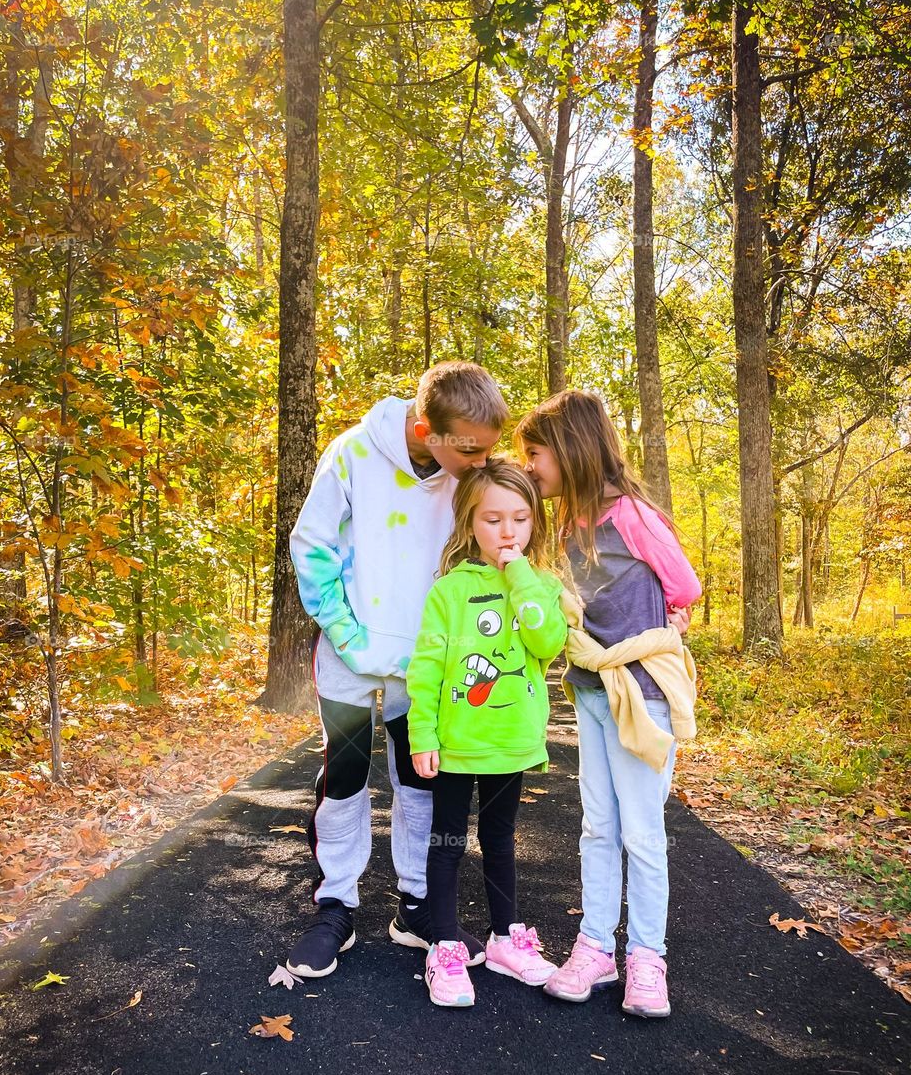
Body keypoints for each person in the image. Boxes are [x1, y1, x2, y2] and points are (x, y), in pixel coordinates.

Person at [285, 362, 509, 979]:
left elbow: (500, 532)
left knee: (422, 781)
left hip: (428, 664)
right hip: (350, 659)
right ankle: (336, 904)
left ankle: (416, 904)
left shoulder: (471, 475)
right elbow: (312, 546)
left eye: (489, 449)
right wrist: (347, 635)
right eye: (470, 448)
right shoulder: (353, 453)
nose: (482, 461)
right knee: (347, 775)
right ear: (423, 428)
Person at [517, 390, 701, 1018]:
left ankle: (648, 958)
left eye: (536, 454)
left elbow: (684, 586)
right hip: (592, 690)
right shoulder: (570, 524)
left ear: (569, 450)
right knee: (599, 824)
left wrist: (657, 633)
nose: (531, 466)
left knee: (642, 832)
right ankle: (596, 947)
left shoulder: (630, 516)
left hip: (640, 694)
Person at [407, 459, 568, 1008]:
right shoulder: (449, 592)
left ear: (534, 523)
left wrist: (519, 573)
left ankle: (504, 940)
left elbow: (548, 642)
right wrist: (422, 735)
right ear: (469, 522)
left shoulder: (541, 585)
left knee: (500, 839)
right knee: (448, 842)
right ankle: (446, 947)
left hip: (511, 742)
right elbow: (426, 670)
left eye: (520, 519)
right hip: (456, 745)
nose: (507, 531)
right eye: (493, 519)